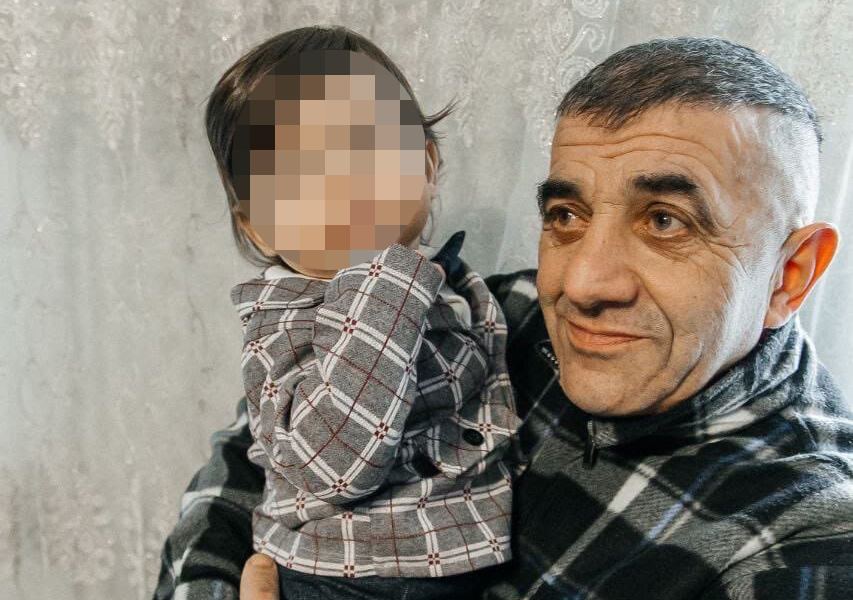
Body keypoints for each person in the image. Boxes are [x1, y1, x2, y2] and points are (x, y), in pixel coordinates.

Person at [153, 37, 853, 600]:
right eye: (566, 215)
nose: (582, 285)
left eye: (665, 221)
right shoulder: (502, 313)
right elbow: (242, 461)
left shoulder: (803, 539)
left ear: (790, 273)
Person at [198, 26, 522, 600]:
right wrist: (385, 280)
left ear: (426, 166)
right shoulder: (285, 323)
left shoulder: (453, 286)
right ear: (259, 227)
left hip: (453, 558)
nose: (339, 181)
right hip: (343, 574)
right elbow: (335, 465)